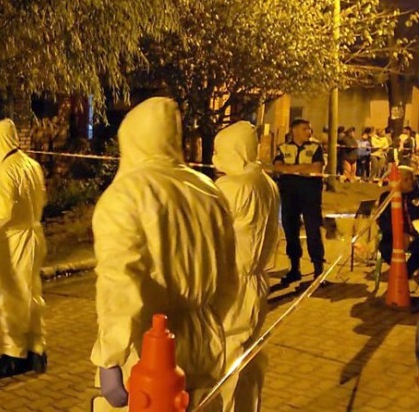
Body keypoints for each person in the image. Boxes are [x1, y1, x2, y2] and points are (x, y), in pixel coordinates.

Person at [91, 97, 238, 411]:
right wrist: (207, 320)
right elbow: (229, 280)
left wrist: (111, 355)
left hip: (147, 351)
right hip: (205, 340)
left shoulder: (125, 196)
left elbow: (119, 283)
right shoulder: (209, 192)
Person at [213, 122, 280, 412]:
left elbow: (210, 235)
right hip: (259, 282)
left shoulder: (231, 187)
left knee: (225, 359)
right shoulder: (268, 184)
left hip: (233, 285)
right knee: (249, 355)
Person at [0, 118, 49, 379]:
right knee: (31, 294)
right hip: (34, 234)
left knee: (10, 297)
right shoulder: (31, 165)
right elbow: (40, 199)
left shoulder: (6, 169)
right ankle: (36, 349)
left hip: (15, 241)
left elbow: (3, 212)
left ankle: (13, 355)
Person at [272, 119, 326, 284]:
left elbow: (316, 168)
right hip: (289, 195)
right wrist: (302, 168)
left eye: (309, 129)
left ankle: (318, 270)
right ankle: (294, 268)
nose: (308, 132)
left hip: (310, 195)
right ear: (294, 130)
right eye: (304, 129)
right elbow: (277, 167)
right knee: (291, 232)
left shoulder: (315, 148)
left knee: (313, 231)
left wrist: (290, 168)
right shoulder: (283, 148)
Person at [376, 166, 419, 279]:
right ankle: (403, 273)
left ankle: (404, 273)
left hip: (416, 235)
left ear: (408, 180)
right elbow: (383, 221)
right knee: (387, 248)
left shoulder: (416, 195)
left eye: (396, 179)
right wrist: (399, 233)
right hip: (393, 236)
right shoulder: (386, 197)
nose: (391, 183)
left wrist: (412, 234)